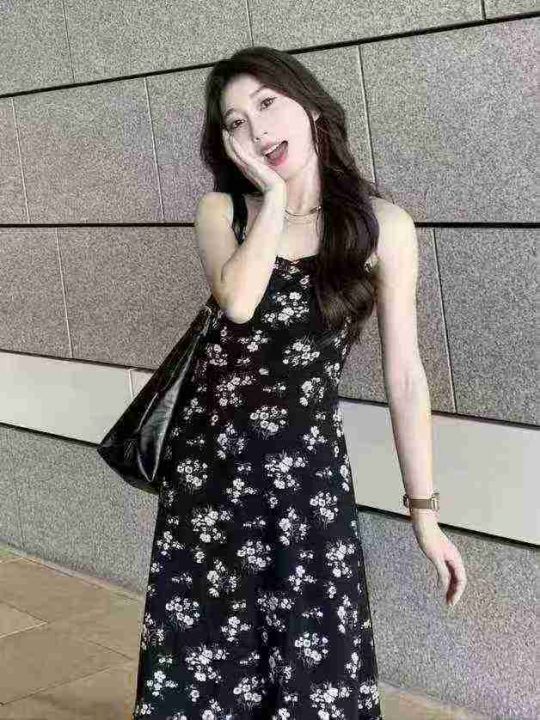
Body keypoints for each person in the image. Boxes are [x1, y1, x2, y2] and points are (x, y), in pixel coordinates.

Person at [132, 45, 466, 719]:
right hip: (210, 477)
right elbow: (239, 300)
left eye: (266, 103)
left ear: (310, 107)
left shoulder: (381, 227)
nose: (255, 128)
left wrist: (424, 513)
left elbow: (405, 375)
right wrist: (276, 198)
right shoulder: (223, 211)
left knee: (317, 668)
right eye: (235, 121)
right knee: (207, 669)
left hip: (307, 483)